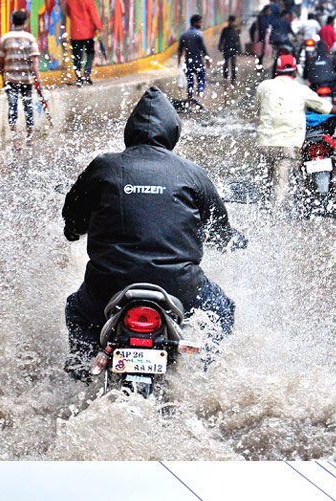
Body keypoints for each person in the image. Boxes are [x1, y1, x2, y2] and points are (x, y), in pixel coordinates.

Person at [61, 87, 241, 376]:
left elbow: (72, 220)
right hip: (180, 287)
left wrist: (74, 231)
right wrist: (229, 239)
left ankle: (80, 377)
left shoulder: (103, 167)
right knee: (223, 310)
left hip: (107, 285)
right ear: (173, 132)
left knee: (77, 312)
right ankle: (207, 378)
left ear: (129, 131)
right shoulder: (193, 173)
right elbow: (220, 230)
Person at [255, 53, 336, 208]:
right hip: (288, 144)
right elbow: (326, 107)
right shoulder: (301, 90)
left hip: (264, 142)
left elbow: (258, 111)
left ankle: (261, 213)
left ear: (276, 71)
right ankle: (276, 218)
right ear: (294, 72)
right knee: (281, 185)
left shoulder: (263, 86)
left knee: (264, 183)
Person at [0, 10, 40, 150]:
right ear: (25, 22)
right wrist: (37, 79)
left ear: (12, 21)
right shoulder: (30, 38)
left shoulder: (5, 38)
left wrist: (3, 76)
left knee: (12, 107)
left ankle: (15, 140)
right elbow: (34, 61)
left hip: (10, 79)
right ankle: (30, 137)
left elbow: (1, 59)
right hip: (26, 79)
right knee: (28, 106)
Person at [65, 0, 101, 85]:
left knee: (77, 56)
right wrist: (99, 27)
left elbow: (68, 12)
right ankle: (87, 73)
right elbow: (94, 14)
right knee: (90, 53)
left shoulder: (69, 1)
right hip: (88, 32)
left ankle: (79, 78)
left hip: (75, 32)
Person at [177, 14, 210, 105]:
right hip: (198, 61)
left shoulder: (184, 35)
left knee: (190, 81)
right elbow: (203, 49)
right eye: (200, 22)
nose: (201, 24)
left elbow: (180, 50)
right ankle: (198, 98)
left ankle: (190, 100)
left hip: (188, 62)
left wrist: (179, 62)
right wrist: (207, 59)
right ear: (195, 23)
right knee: (201, 80)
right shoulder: (199, 34)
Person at [218, 15, 242, 84]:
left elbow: (238, 40)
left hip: (234, 49)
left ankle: (233, 78)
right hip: (226, 48)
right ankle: (225, 77)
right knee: (225, 64)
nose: (231, 23)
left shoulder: (237, 30)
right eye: (230, 22)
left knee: (233, 64)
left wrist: (239, 50)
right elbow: (221, 39)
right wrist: (220, 46)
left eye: (232, 22)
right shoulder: (225, 30)